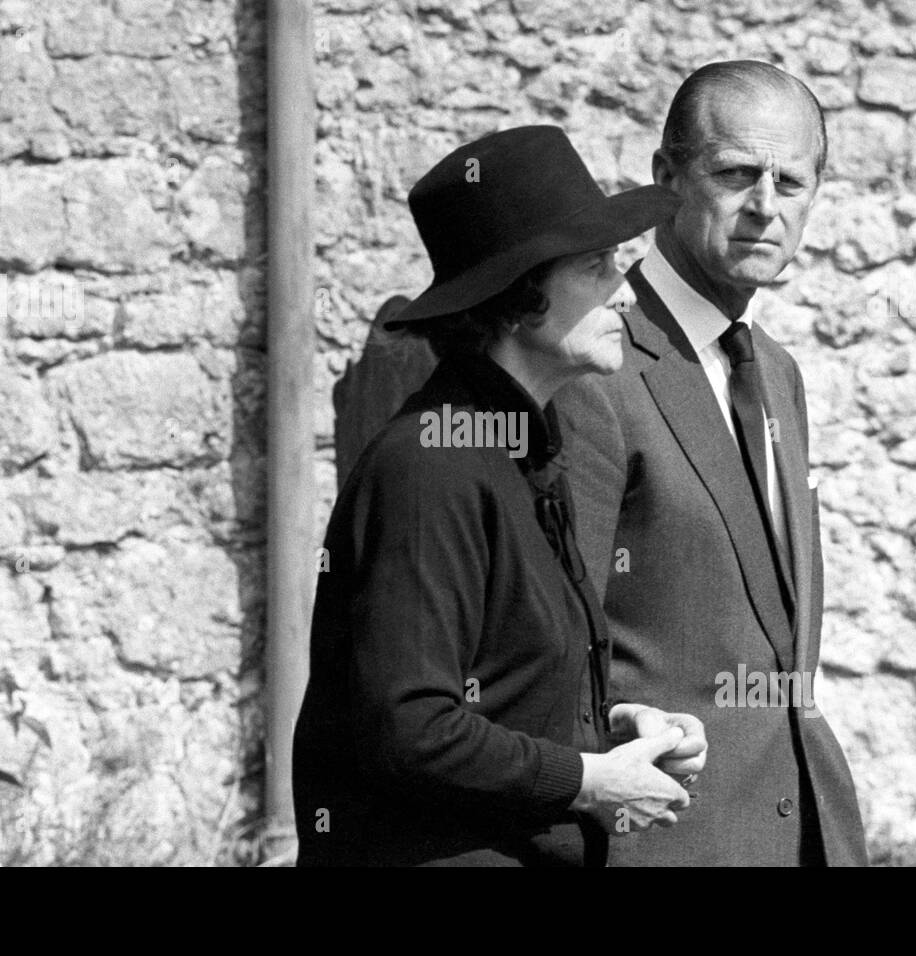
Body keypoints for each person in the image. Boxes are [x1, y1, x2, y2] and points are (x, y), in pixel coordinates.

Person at [293, 125, 707, 867]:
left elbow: (507, 696)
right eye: (594, 266)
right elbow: (409, 727)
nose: (625, 290)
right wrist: (589, 781)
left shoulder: (523, 451)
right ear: (521, 299)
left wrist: (618, 733)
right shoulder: (429, 467)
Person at [555, 61, 869, 866]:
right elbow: (550, 649)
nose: (766, 206)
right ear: (666, 179)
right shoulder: (595, 362)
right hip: (660, 842)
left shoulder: (778, 371)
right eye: (735, 173)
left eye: (792, 181)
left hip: (805, 836)